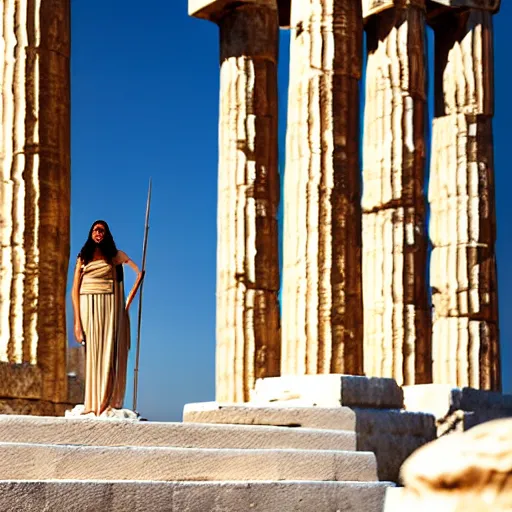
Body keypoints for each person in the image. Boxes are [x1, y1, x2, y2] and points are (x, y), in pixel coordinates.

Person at [71, 220, 142, 416]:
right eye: (95, 230)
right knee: (92, 351)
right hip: (87, 303)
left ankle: (105, 400)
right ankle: (92, 402)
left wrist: (126, 304)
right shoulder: (83, 257)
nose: (98, 233)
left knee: (108, 351)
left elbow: (138, 273)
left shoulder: (114, 256)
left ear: (106, 233)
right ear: (90, 233)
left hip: (110, 304)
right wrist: (77, 322)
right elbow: (74, 289)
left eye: (101, 230)